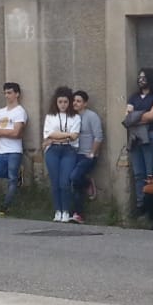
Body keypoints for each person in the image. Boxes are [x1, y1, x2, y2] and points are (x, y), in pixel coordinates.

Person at [123, 68, 153, 217]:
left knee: (150, 172)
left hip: (151, 136)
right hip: (135, 138)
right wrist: (141, 116)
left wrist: (136, 117)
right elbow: (127, 118)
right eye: (139, 77)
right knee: (138, 173)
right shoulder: (134, 97)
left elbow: (152, 116)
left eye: (144, 77)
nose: (141, 80)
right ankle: (141, 206)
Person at [0, 82, 29, 219]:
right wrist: (2, 132)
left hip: (14, 150)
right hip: (0, 150)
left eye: (10, 92)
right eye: (5, 93)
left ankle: (4, 207)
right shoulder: (0, 112)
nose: (7, 95)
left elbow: (16, 133)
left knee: (12, 181)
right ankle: (18, 176)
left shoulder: (20, 111)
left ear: (17, 94)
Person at [42, 87, 82, 223]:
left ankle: (66, 210)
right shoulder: (50, 116)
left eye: (65, 102)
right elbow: (49, 134)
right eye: (60, 102)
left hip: (68, 150)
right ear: (56, 102)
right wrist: (66, 135)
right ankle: (57, 210)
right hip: (52, 150)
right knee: (55, 182)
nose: (63, 105)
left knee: (64, 182)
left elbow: (75, 136)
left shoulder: (75, 117)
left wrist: (58, 137)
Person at [68, 89, 101, 223]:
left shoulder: (91, 116)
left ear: (85, 103)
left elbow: (98, 136)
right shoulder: (71, 117)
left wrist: (92, 153)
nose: (75, 103)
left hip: (87, 155)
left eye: (78, 101)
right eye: (74, 101)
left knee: (75, 177)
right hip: (74, 154)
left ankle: (87, 182)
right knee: (75, 184)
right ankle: (77, 213)